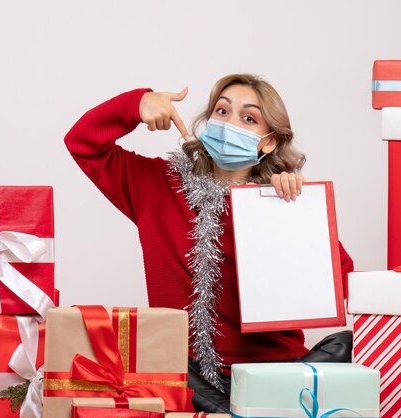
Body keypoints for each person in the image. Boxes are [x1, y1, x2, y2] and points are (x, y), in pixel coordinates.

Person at [65, 74, 354, 412]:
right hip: (190, 375)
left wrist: (298, 215)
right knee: (154, 359)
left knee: (347, 344)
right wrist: (135, 105)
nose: (230, 123)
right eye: (221, 111)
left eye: (248, 118)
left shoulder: (281, 202)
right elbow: (82, 143)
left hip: (276, 370)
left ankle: (244, 407)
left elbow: (343, 281)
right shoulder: (155, 184)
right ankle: (239, 409)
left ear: (270, 143)